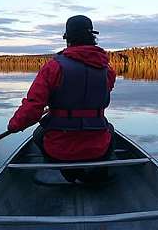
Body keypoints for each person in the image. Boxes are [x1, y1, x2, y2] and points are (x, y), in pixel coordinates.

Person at [7, 15, 116, 182]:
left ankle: (68, 172)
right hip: (99, 148)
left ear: (68, 38)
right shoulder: (106, 70)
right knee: (110, 129)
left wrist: (14, 126)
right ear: (93, 37)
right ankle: (95, 172)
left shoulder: (53, 66)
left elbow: (32, 108)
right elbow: (95, 96)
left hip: (59, 150)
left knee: (38, 133)